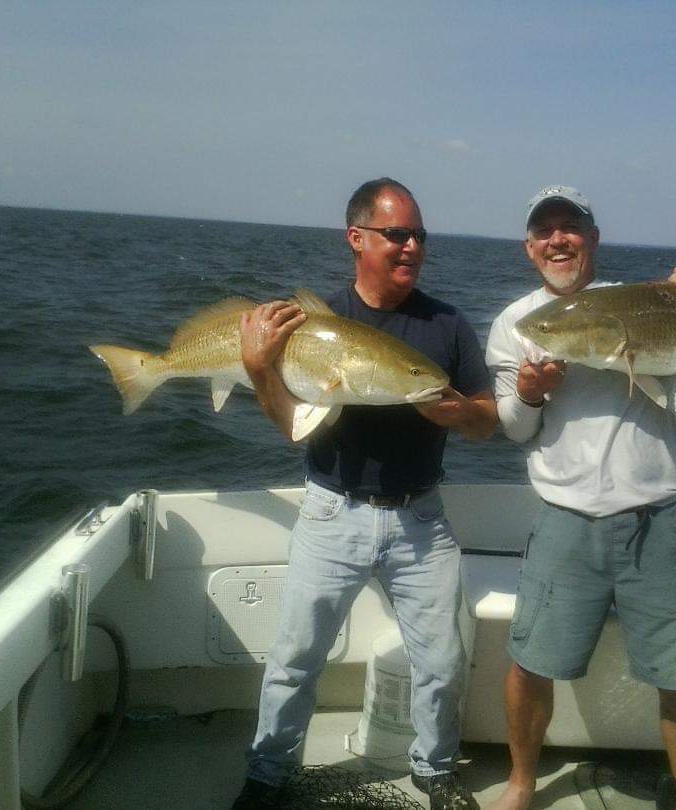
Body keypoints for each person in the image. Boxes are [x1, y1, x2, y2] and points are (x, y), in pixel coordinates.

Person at [231, 177, 496, 810]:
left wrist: (458, 415)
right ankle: (269, 772)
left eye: (419, 236)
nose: (411, 247)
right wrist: (260, 370)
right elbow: (291, 424)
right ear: (357, 238)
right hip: (333, 512)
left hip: (421, 520)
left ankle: (434, 769)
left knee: (443, 660)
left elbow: (488, 420)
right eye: (396, 234)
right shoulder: (314, 322)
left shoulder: (448, 326)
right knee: (294, 658)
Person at [484, 185, 676, 810]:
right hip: (565, 521)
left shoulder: (647, 306)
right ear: (529, 247)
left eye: (571, 228)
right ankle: (520, 783)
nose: (557, 240)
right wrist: (532, 393)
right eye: (545, 231)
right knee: (530, 664)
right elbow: (515, 428)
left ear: (593, 239)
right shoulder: (516, 323)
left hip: (658, 519)